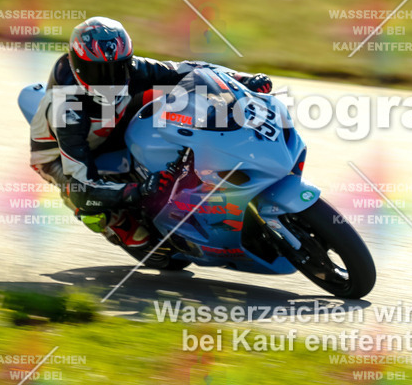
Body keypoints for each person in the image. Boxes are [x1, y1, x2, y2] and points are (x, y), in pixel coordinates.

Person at [29, 16, 272, 249]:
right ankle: (117, 227)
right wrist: (141, 190)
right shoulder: (67, 109)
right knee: (91, 206)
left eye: (118, 68)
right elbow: (83, 187)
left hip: (113, 122)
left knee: (174, 102)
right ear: (78, 67)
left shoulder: (132, 69)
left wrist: (241, 80)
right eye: (100, 73)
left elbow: (190, 70)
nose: (111, 80)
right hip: (60, 156)